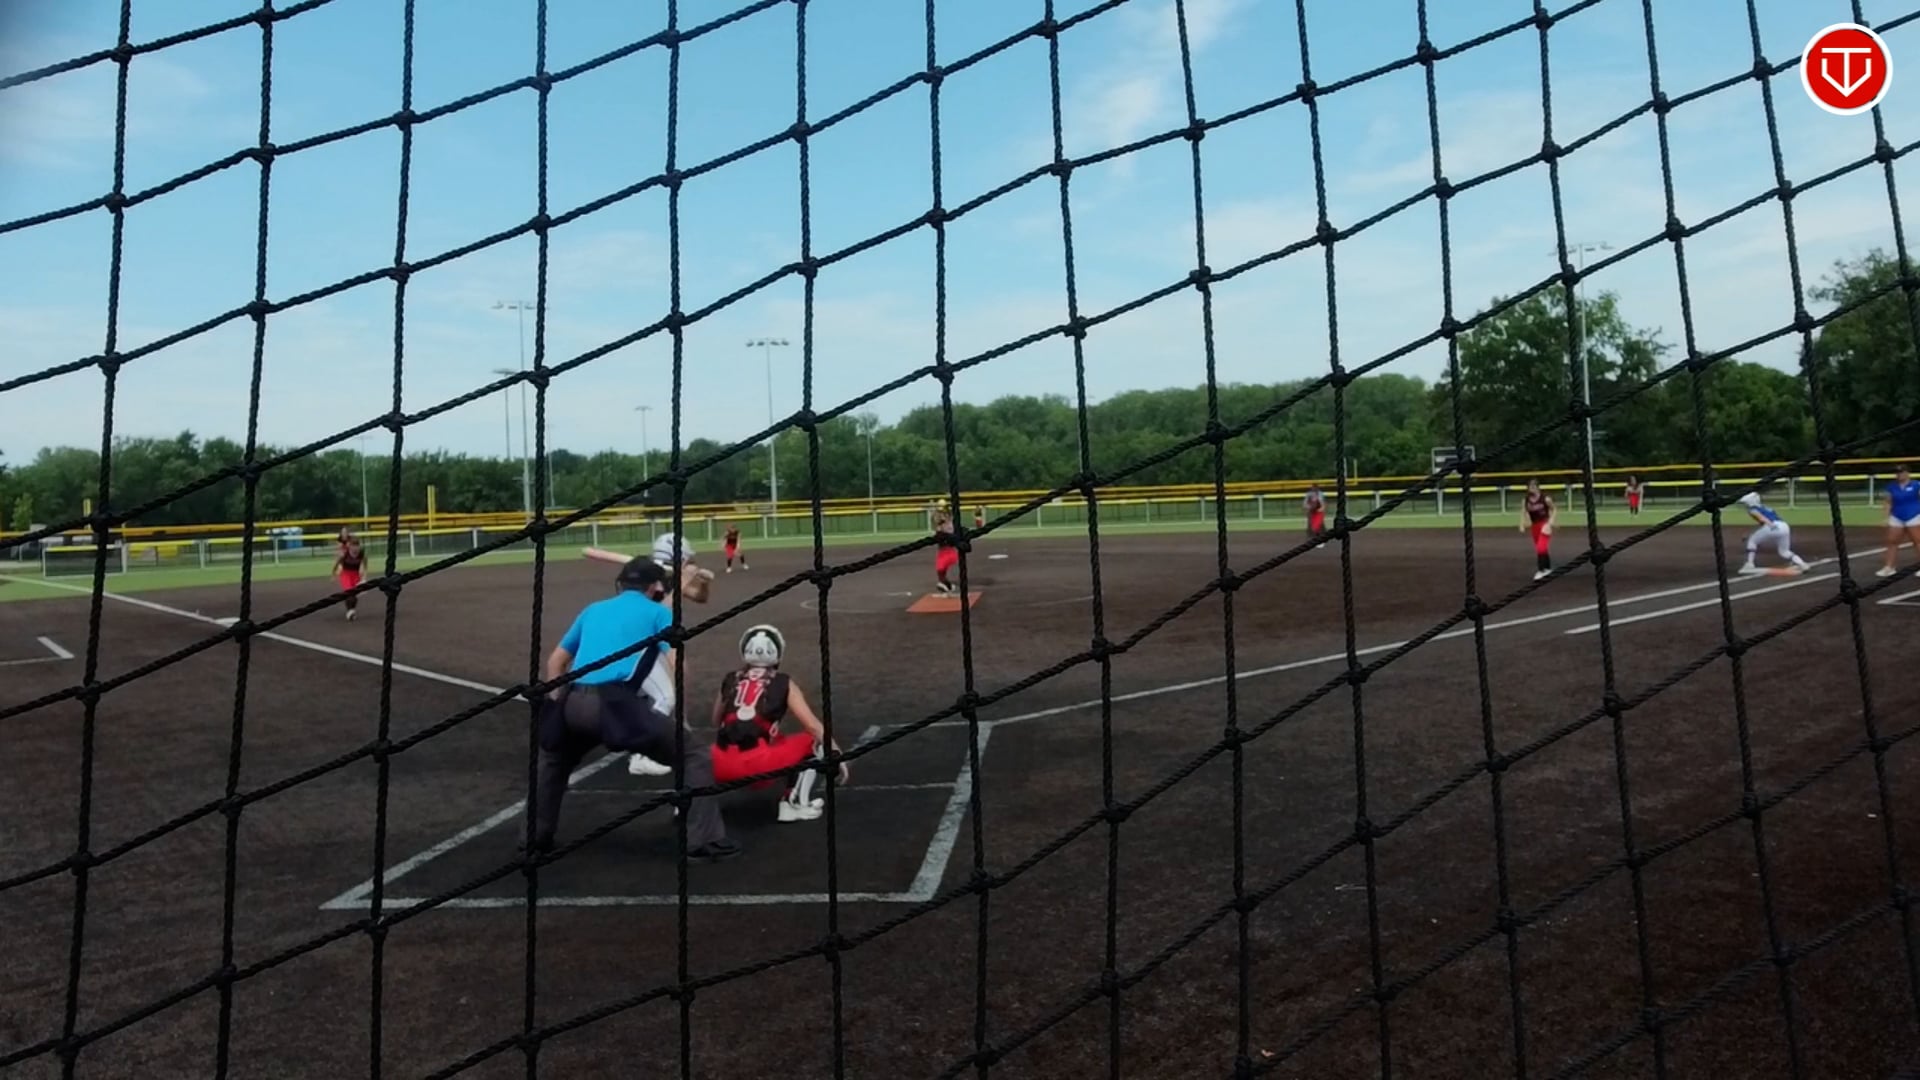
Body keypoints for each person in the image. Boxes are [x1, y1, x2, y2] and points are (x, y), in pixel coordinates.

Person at [530, 557, 738, 861]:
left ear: (621, 583)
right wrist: (677, 712)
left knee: (553, 761)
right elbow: (678, 665)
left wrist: (557, 708)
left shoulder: (593, 609)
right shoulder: (658, 612)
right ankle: (703, 842)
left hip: (573, 701)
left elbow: (555, 663)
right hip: (617, 707)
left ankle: (533, 841)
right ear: (654, 587)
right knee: (694, 755)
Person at [709, 624, 849, 823]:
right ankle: (793, 804)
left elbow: (716, 720)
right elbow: (813, 726)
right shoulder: (783, 682)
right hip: (756, 765)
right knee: (813, 741)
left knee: (696, 753)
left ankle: (691, 805)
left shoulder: (731, 678)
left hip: (718, 765)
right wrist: (836, 754)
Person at [627, 531, 715, 779]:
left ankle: (679, 729)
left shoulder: (664, 576)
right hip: (637, 644)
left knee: (679, 674)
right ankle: (640, 754)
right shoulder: (648, 579)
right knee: (662, 695)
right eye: (687, 559)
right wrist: (684, 580)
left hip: (656, 641)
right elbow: (657, 613)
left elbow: (700, 598)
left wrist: (702, 582)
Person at [1738, 490, 1810, 575]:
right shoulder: (1766, 507)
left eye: (1745, 503)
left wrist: (1770, 524)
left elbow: (1761, 519)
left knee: (1752, 541)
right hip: (1784, 526)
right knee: (1784, 551)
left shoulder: (1752, 510)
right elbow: (1763, 523)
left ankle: (1749, 564)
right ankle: (1802, 564)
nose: (1745, 505)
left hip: (1772, 526)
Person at [1877, 464, 1920, 579]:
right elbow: (1888, 502)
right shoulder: (1891, 487)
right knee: (1892, 542)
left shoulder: (1916, 485)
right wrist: (1886, 517)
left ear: (1907, 473)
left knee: (1918, 541)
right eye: (1897, 473)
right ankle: (1889, 567)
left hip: (1914, 515)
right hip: (1896, 516)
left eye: (1901, 472)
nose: (1899, 475)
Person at [1519, 479, 1557, 581]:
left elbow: (1554, 509)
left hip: (1544, 524)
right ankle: (1547, 568)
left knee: (1541, 547)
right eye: (1530, 487)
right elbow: (1523, 511)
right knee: (1541, 548)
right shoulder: (1526, 500)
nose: (1532, 488)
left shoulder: (1545, 499)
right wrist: (1522, 524)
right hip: (1534, 526)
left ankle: (1541, 570)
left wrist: (1550, 522)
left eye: (1534, 486)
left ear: (1538, 487)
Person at [333, 528, 364, 622]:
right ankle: (350, 611)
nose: (355, 548)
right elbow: (337, 562)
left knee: (354, 594)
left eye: (357, 545)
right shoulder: (344, 553)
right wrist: (334, 573)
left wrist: (363, 577)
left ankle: (352, 610)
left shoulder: (361, 553)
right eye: (353, 545)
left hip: (355, 574)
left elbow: (364, 565)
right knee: (349, 592)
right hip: (346, 573)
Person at [932, 508, 960, 595]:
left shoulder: (946, 525)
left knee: (940, 570)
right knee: (942, 571)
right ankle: (949, 586)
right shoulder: (949, 524)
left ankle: (944, 585)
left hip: (946, 552)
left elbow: (941, 531)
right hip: (948, 551)